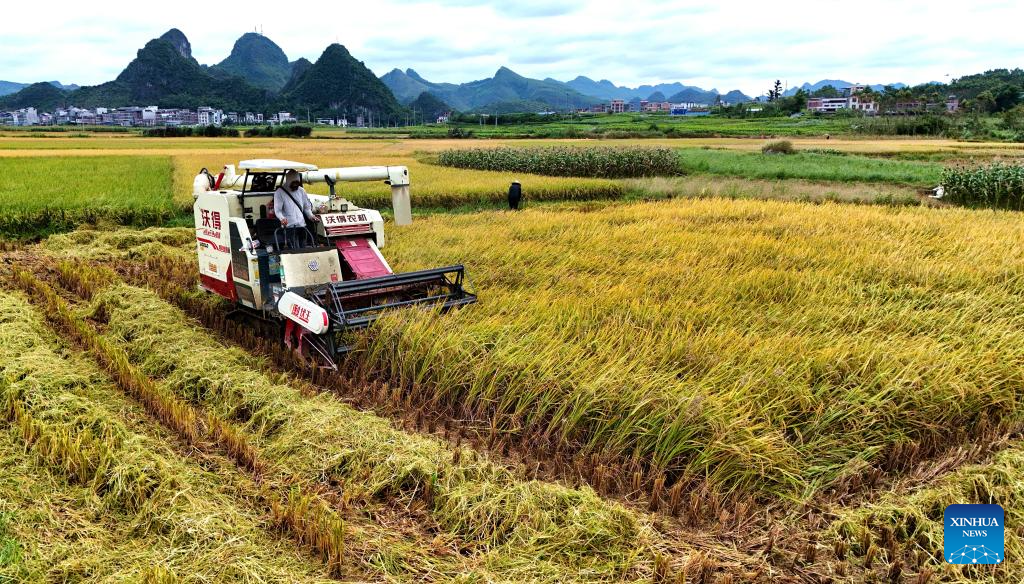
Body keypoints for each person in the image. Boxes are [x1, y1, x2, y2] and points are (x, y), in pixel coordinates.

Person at [274, 170, 319, 249]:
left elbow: (306, 207)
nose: (295, 185)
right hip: (289, 227)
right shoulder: (279, 192)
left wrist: (311, 216)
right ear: (288, 181)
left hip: (302, 226)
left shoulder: (301, 191)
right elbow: (278, 210)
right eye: (293, 183)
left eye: (297, 183)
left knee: (303, 248)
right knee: (295, 249)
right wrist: (282, 218)